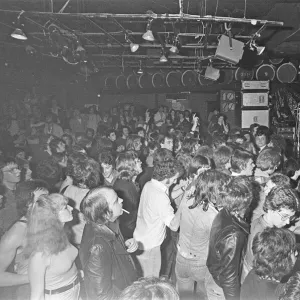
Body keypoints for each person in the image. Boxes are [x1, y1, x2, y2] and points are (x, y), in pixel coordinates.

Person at [176, 170, 231, 299]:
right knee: (204, 294)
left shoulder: (187, 201)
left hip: (181, 258)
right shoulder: (214, 216)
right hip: (200, 263)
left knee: (184, 296)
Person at [79, 187, 138, 300]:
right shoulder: (97, 247)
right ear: (106, 214)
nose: (121, 200)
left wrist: (125, 244)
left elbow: (111, 249)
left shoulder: (108, 223)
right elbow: (100, 295)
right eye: (116, 201)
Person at [133, 150, 184, 278]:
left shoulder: (150, 185)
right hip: (151, 246)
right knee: (151, 281)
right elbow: (174, 226)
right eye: (174, 179)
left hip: (141, 238)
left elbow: (163, 203)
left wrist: (184, 189)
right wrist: (183, 204)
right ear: (166, 178)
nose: (176, 182)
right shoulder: (160, 195)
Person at [0, 180, 49, 300]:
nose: (50, 202)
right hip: (28, 292)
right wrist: (34, 276)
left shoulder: (48, 221)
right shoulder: (17, 232)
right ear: (28, 204)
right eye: (43, 199)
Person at [206, 176, 253, 300]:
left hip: (214, 278)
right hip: (222, 289)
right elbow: (229, 278)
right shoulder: (233, 235)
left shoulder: (224, 213)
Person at [26, 193, 79, 300]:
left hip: (75, 292)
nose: (71, 208)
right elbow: (37, 296)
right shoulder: (40, 253)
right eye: (65, 207)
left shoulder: (62, 235)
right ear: (53, 216)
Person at [242, 185, 298, 283]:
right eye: (285, 216)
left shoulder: (262, 222)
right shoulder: (262, 235)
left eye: (291, 217)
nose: (288, 222)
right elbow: (267, 270)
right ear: (271, 208)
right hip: (257, 281)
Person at [241, 227, 297, 300]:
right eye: (293, 252)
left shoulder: (254, 273)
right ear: (282, 261)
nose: (297, 253)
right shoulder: (281, 293)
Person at [113, 151, 142, 239]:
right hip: (129, 232)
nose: (141, 162)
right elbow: (127, 217)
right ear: (129, 166)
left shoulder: (130, 182)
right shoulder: (124, 187)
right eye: (137, 161)